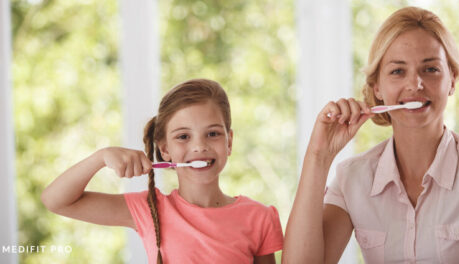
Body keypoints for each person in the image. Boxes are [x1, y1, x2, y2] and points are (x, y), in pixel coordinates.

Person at [283, 6, 459, 263]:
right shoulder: (353, 179)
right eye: (398, 71)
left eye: (430, 69)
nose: (415, 84)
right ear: (377, 87)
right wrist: (319, 156)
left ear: (452, 80)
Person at [41, 79, 283, 264]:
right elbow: (56, 201)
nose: (199, 146)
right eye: (183, 137)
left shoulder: (259, 217)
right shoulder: (149, 209)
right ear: (165, 150)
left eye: (213, 133)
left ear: (229, 142)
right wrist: (100, 157)